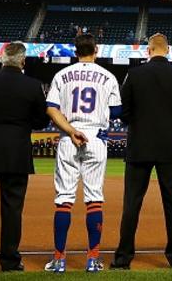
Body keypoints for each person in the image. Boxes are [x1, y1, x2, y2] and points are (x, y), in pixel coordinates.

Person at [0, 42, 85, 273]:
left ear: (2, 58)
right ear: (23, 61)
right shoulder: (33, 86)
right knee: (12, 210)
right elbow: (40, 120)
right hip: (16, 154)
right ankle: (9, 261)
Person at [112, 34, 172, 270]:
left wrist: (141, 119)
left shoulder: (135, 74)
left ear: (148, 51)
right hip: (170, 144)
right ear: (167, 50)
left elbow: (123, 111)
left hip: (140, 144)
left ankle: (123, 257)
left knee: (132, 203)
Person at [43, 33, 121, 273]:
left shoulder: (61, 75)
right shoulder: (108, 76)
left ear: (75, 51)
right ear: (96, 50)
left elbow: (51, 109)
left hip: (69, 137)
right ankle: (93, 259)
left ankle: (59, 260)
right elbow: (116, 110)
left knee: (64, 199)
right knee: (94, 198)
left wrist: (71, 129)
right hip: (96, 138)